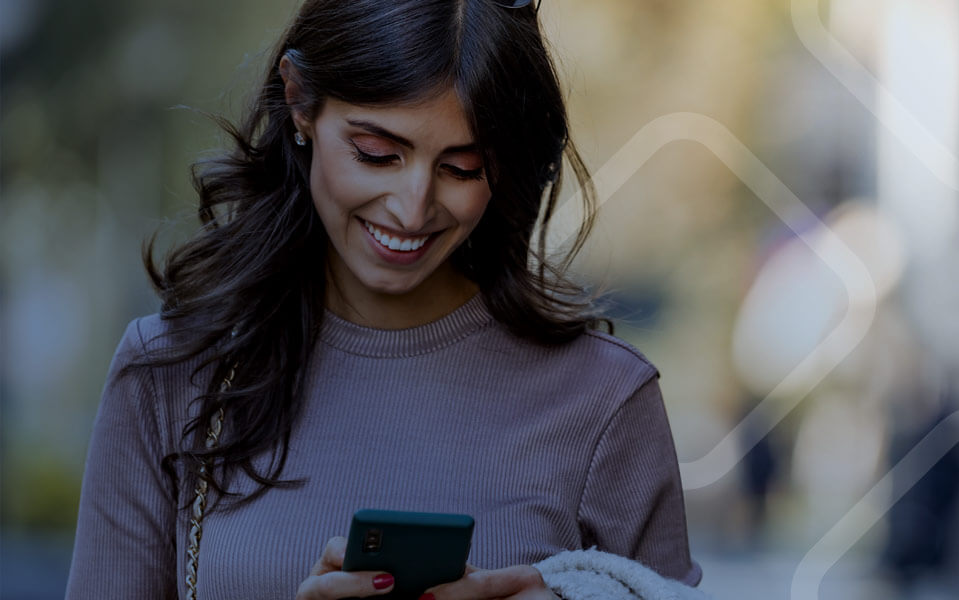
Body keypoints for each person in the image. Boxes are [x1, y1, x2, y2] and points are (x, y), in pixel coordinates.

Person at [63, 0, 704, 598]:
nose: (413, 206)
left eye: (462, 167)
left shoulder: (604, 401)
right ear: (299, 104)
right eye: (376, 153)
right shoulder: (172, 374)